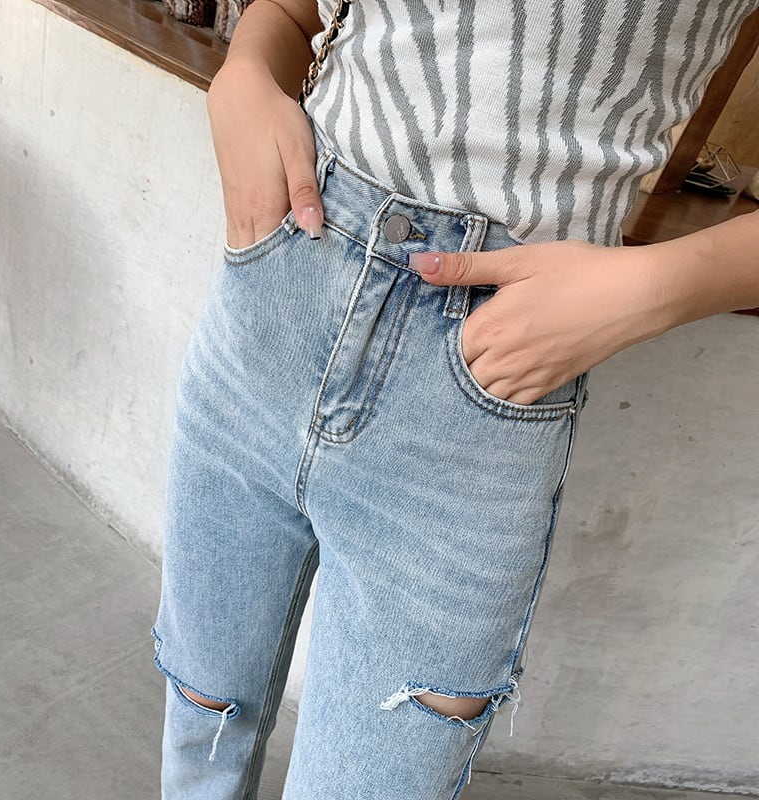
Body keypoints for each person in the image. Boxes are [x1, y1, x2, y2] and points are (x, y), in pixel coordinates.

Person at [151, 1, 759, 798]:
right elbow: (296, 12)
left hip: (481, 388)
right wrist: (247, 71)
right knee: (202, 714)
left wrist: (653, 290)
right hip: (280, 292)